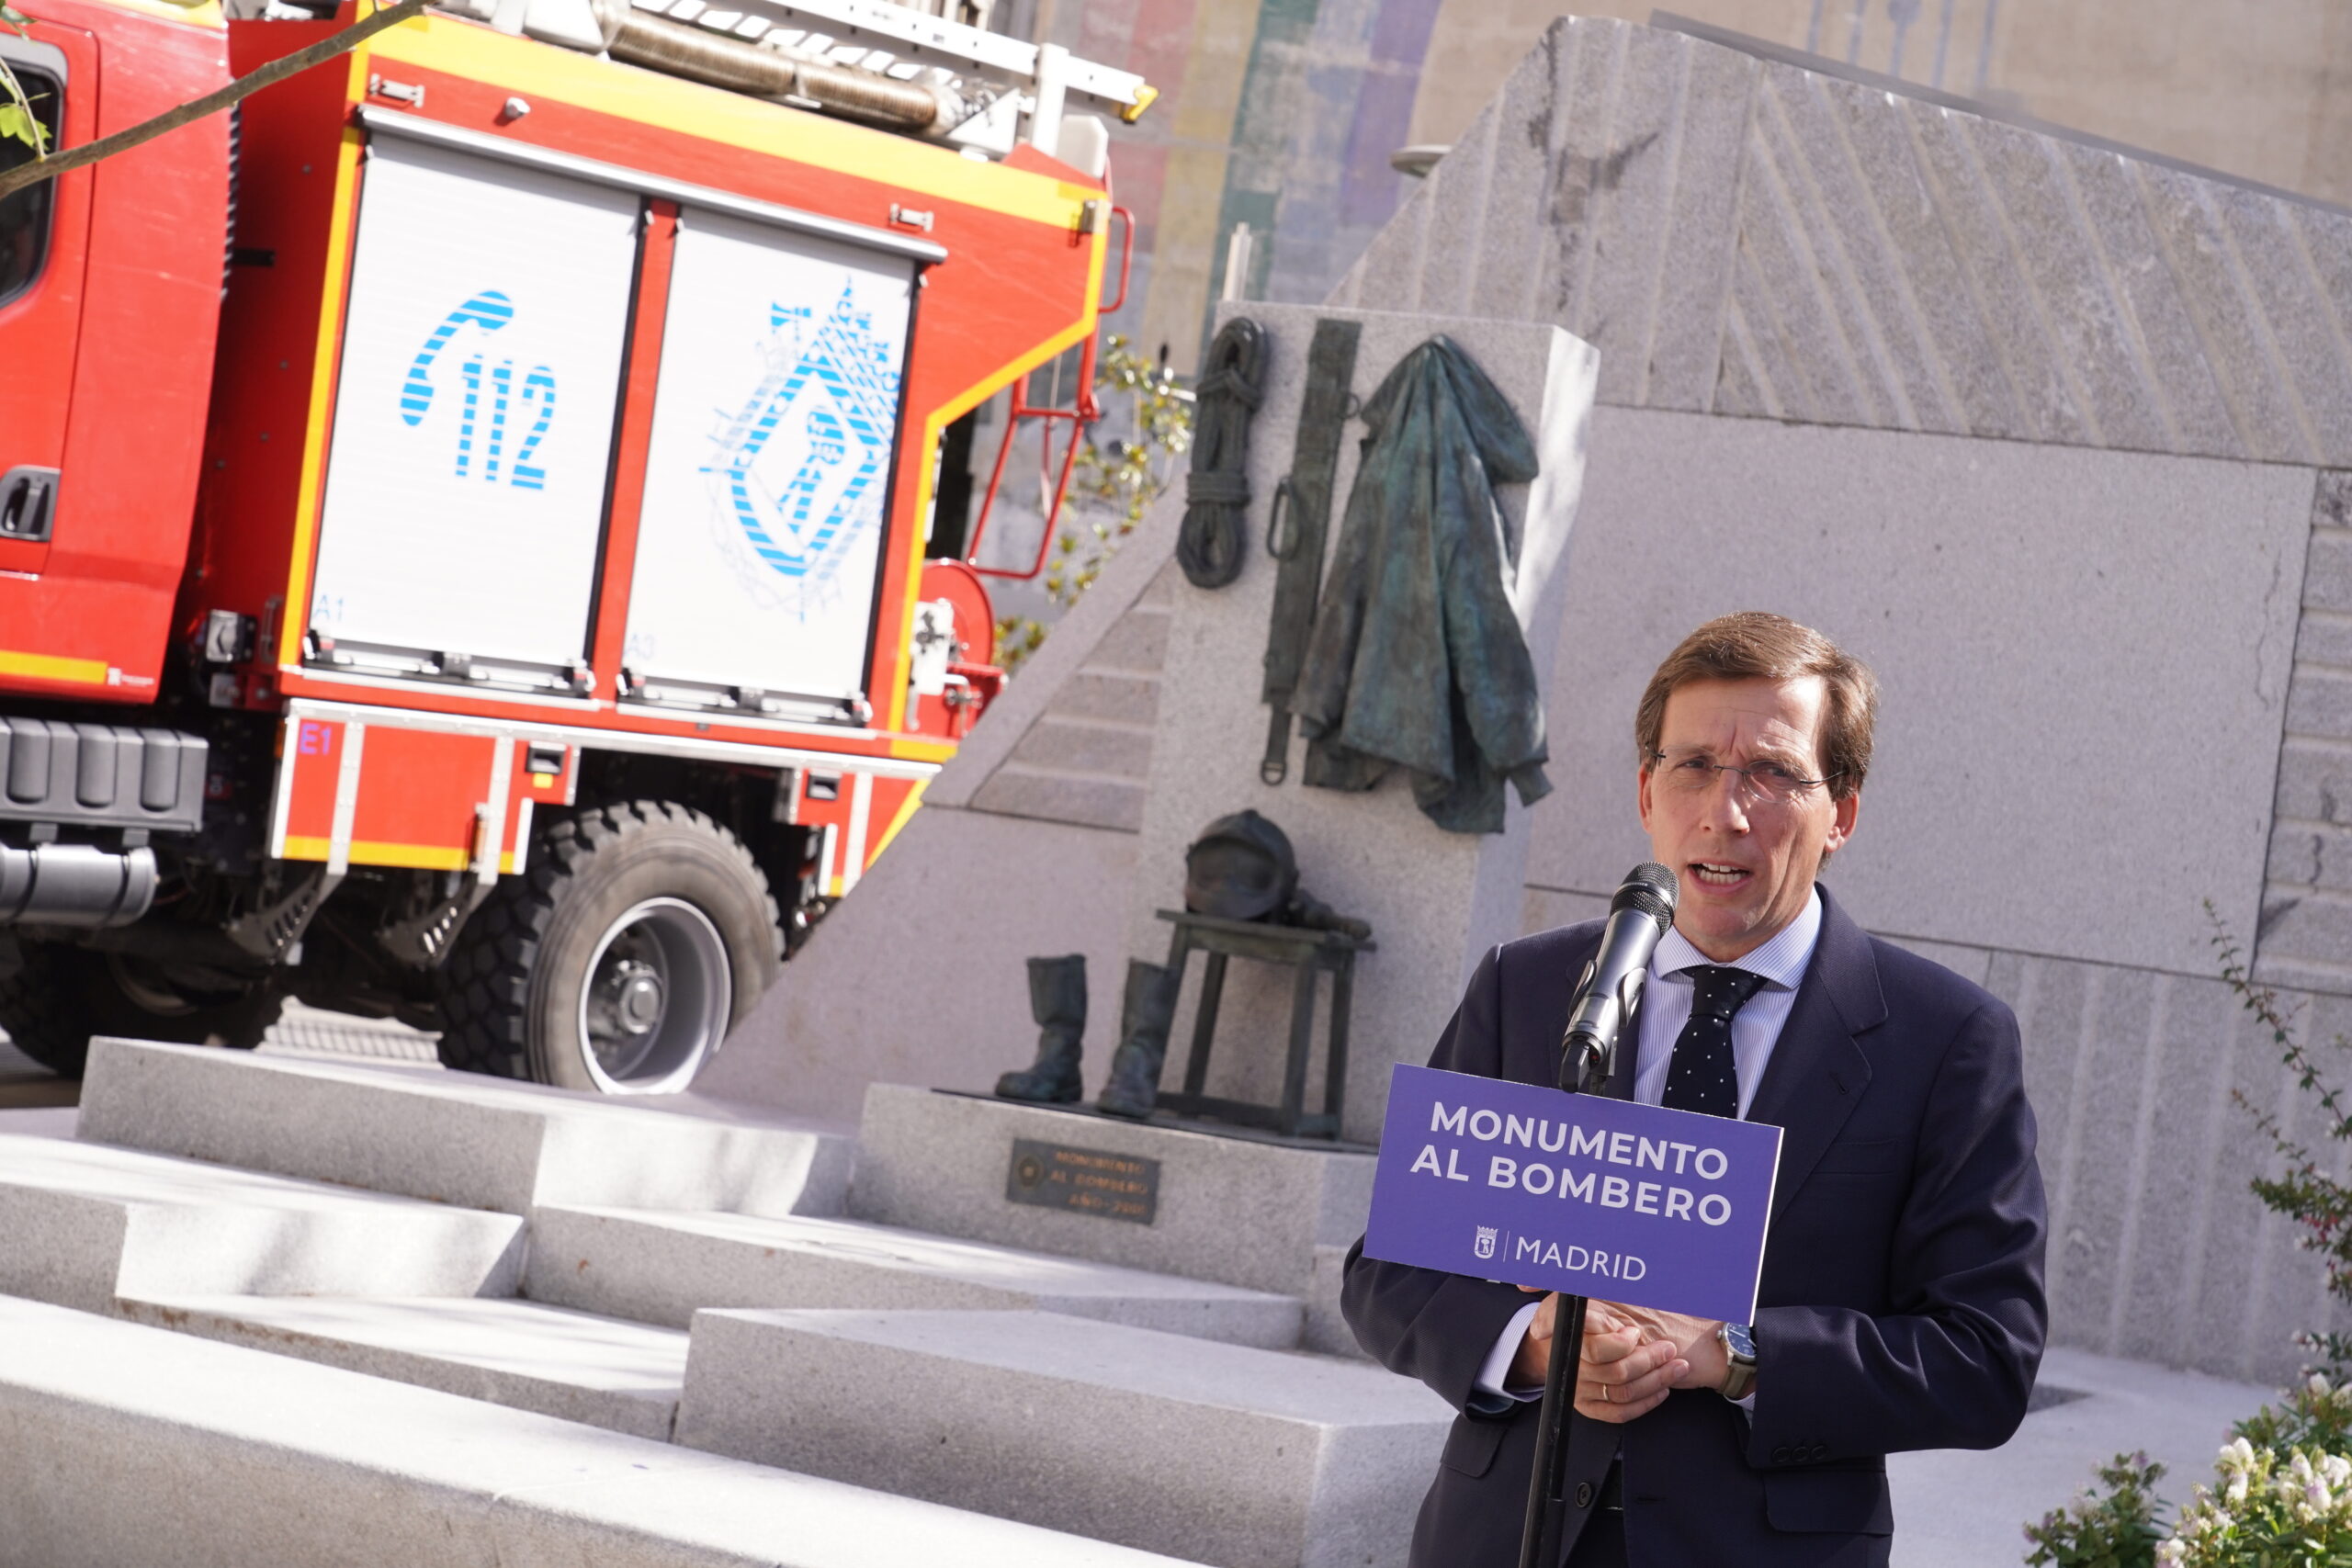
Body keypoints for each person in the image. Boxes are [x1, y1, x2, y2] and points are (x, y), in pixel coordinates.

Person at [1340, 612, 2047, 1567]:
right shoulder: (1531, 988)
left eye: (1773, 773)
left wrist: (1734, 1354)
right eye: (1695, 766)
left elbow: (1985, 1358)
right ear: (1646, 791)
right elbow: (1387, 1271)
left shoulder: (1946, 1039)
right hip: (1507, 1537)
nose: (1727, 811)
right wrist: (1538, 1341)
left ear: (1841, 814)